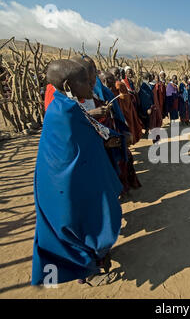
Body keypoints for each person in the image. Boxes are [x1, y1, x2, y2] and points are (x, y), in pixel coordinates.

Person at [32, 59, 123, 287]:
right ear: (68, 84)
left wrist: (109, 139)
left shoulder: (64, 105)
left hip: (64, 180)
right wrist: (110, 139)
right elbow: (91, 135)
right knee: (82, 221)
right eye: (84, 80)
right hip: (67, 181)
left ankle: (90, 263)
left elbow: (91, 131)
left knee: (79, 221)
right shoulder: (66, 110)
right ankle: (87, 269)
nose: (90, 86)